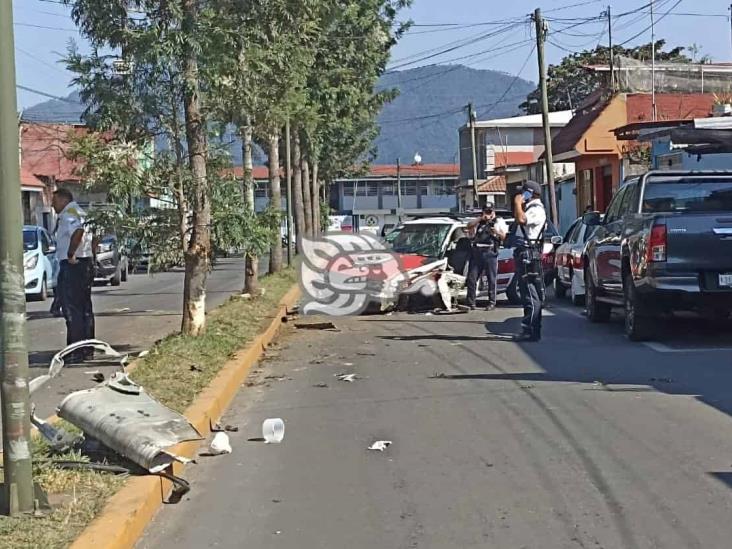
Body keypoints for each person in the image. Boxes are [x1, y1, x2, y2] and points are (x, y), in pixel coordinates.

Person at [52, 188, 95, 363]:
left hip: (73, 266)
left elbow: (78, 232)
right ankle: (87, 349)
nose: (53, 206)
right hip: (85, 263)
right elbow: (95, 236)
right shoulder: (80, 211)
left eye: (54, 201)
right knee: (85, 309)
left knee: (72, 310)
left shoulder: (69, 212)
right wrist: (92, 254)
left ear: (63, 200)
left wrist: (70, 253)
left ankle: (76, 350)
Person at [512, 181, 547, 342]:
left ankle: (532, 330)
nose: (520, 195)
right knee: (526, 291)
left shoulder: (536, 210)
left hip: (529, 254)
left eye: (523, 193)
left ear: (530, 194)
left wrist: (517, 203)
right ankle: (529, 329)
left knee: (531, 293)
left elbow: (521, 219)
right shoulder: (531, 208)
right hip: (524, 253)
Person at [466, 205, 508, 311]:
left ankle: (491, 302)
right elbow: (469, 226)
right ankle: (471, 302)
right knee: (472, 278)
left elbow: (504, 237)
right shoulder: (479, 222)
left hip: (490, 252)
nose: (488, 214)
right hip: (477, 253)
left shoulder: (498, 222)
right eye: (486, 211)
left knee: (491, 279)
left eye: (490, 211)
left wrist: (496, 232)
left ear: (493, 212)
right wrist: (481, 218)